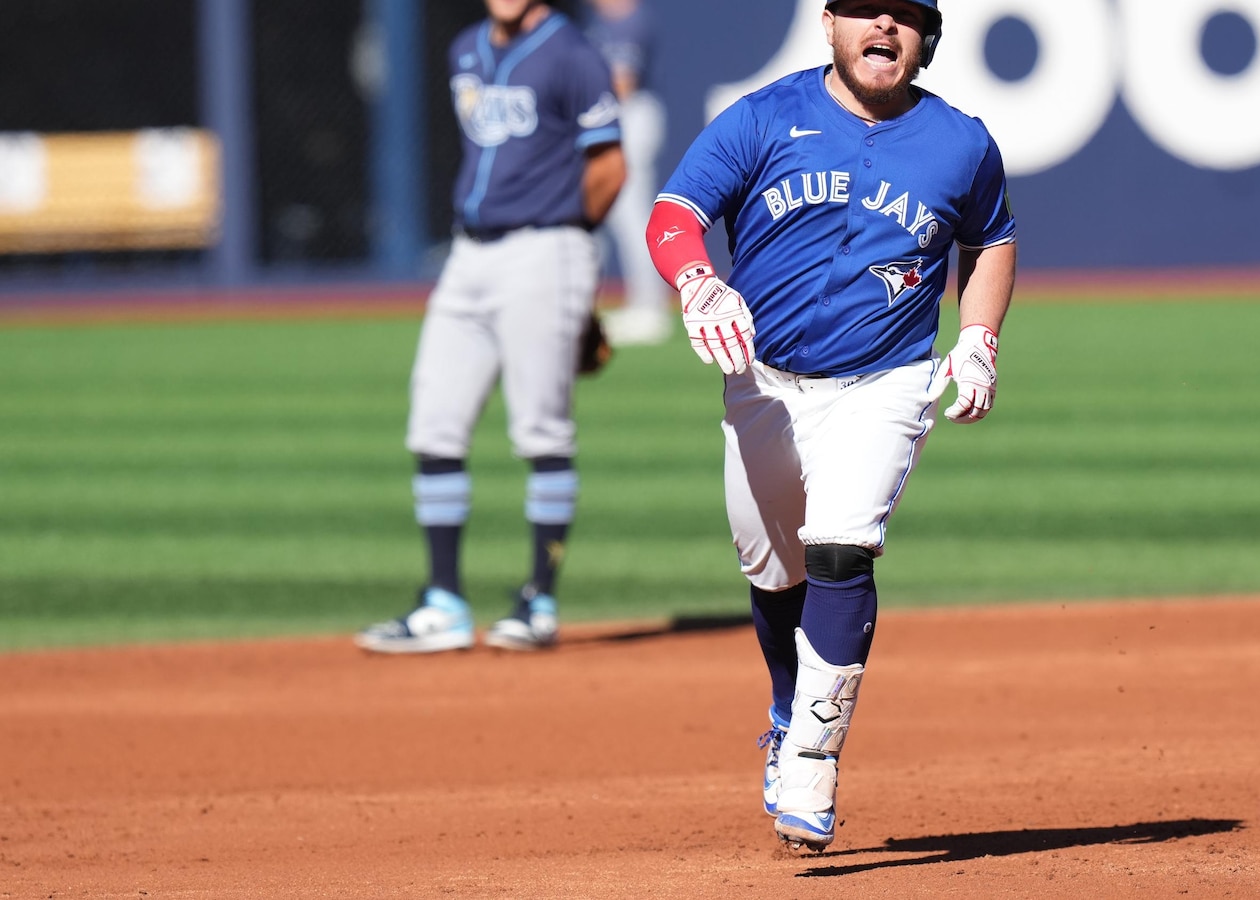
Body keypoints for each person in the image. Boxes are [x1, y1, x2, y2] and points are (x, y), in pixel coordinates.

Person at [645, 0, 1016, 851]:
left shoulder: (961, 141)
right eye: (864, 9)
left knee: (842, 547)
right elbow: (674, 214)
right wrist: (698, 282)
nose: (883, 25)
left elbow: (991, 239)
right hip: (762, 382)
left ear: (927, 38)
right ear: (829, 23)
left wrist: (979, 339)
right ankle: (786, 711)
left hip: (887, 381)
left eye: (905, 15)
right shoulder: (763, 116)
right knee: (775, 573)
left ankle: (812, 756)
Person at [356, 0, 625, 654]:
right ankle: (443, 601)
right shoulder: (466, 49)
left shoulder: (573, 55)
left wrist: (574, 267)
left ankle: (538, 599)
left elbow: (609, 167)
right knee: (434, 422)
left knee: (541, 430)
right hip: (468, 254)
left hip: (547, 247)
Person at [584, 0, 672, 346]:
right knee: (604, 215)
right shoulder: (598, 21)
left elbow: (624, 83)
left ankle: (650, 307)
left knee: (630, 215)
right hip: (611, 118)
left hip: (630, 117)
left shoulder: (631, 21)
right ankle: (598, 304)